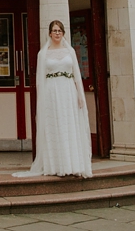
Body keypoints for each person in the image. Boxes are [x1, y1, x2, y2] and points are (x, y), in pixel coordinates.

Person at [14, 19, 93, 178]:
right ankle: (56, 165)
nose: (57, 33)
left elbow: (77, 75)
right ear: (49, 33)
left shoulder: (70, 52)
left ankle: (73, 164)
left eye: (59, 31)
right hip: (51, 92)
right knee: (54, 125)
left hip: (68, 91)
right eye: (54, 31)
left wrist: (80, 95)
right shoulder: (43, 54)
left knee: (69, 124)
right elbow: (40, 79)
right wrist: (42, 99)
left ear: (63, 33)